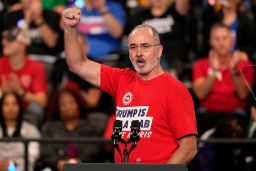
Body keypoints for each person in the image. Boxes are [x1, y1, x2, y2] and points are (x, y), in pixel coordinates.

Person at [62, 7, 197, 164]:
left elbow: (189, 147)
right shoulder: (121, 79)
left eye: (145, 46)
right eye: (133, 47)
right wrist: (70, 28)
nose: (138, 52)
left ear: (159, 51)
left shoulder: (175, 90)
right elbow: (77, 64)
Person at [192, 23, 254, 135]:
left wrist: (234, 70)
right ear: (210, 41)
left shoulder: (245, 65)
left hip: (236, 113)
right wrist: (214, 71)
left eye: (225, 38)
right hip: (207, 113)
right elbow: (200, 94)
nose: (221, 42)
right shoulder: (200, 65)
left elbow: (243, 94)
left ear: (232, 41)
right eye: (217, 39)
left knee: (236, 123)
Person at [38, 88, 101, 171]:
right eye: (63, 104)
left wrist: (79, 161)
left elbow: (94, 149)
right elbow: (45, 150)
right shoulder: (49, 127)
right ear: (58, 108)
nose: (68, 107)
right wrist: (57, 162)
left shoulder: (89, 127)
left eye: (71, 103)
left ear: (78, 104)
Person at [0, 26, 48, 126]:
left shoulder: (36, 67)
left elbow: (42, 101)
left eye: (10, 40)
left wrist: (20, 91)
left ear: (22, 45)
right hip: (3, 109)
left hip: (25, 112)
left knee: (36, 108)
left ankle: (28, 138)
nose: (4, 42)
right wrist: (3, 93)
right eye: (4, 39)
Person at [0, 92, 41, 171]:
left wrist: (11, 166)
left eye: (14, 104)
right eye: (6, 104)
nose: (10, 108)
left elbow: (32, 159)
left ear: (20, 107)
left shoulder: (31, 130)